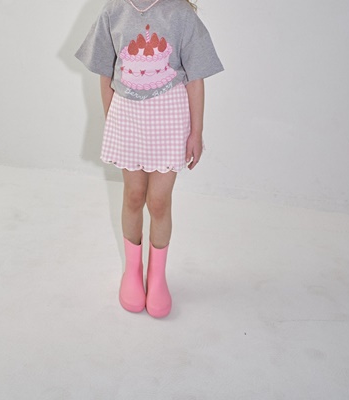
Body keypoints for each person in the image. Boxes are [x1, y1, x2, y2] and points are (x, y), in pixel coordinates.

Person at [75, 0, 223, 318]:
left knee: (158, 201)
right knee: (133, 195)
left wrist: (196, 132)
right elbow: (104, 72)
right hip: (127, 116)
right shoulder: (113, 11)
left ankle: (157, 276)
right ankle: (132, 271)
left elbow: (196, 78)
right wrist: (111, 120)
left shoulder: (180, 14)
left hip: (170, 116)